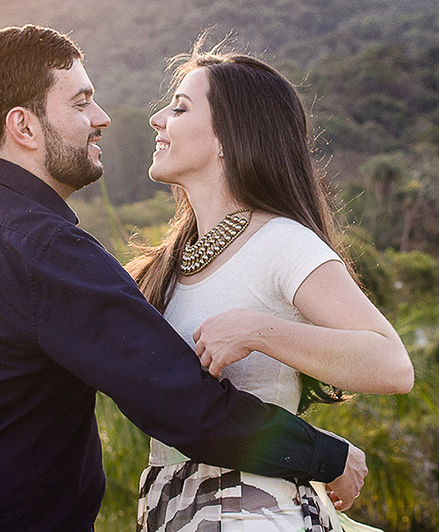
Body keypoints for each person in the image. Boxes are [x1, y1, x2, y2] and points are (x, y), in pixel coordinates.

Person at [0, 25, 366, 532]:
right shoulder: (48, 251)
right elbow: (187, 408)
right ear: (25, 127)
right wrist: (325, 454)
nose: (102, 118)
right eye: (81, 102)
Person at [128, 44, 414, 531]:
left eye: (180, 107)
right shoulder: (163, 268)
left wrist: (258, 331)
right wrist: (319, 446)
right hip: (172, 506)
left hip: (253, 513)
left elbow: (392, 365)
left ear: (228, 137)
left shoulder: (282, 242)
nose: (158, 119)